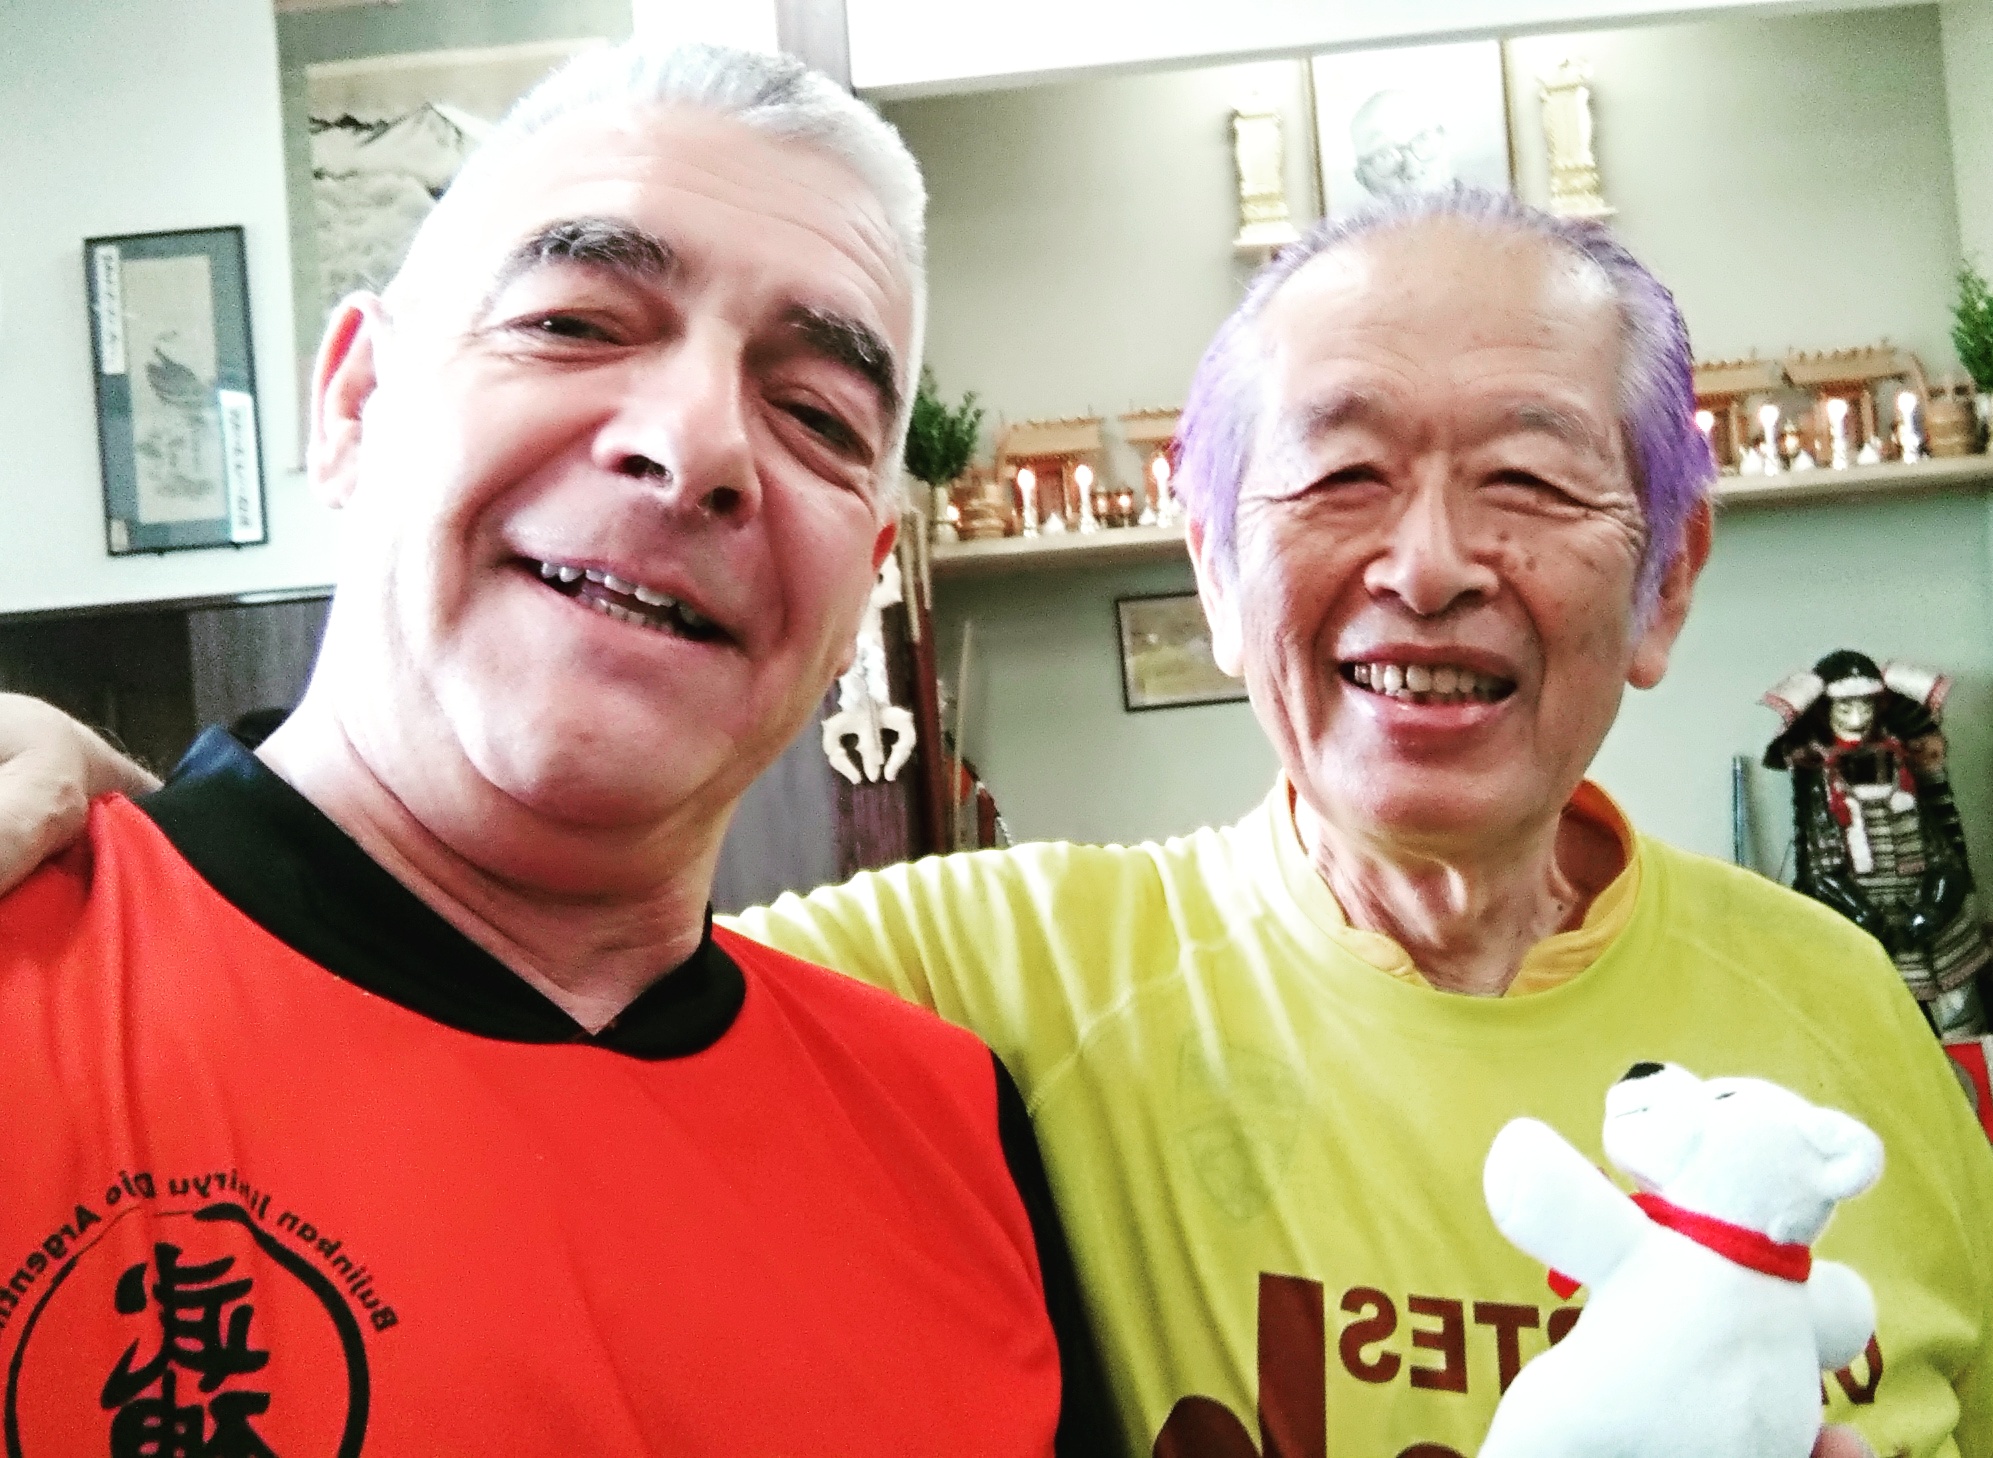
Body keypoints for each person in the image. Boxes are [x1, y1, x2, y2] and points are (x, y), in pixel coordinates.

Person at [0, 192, 1966, 1456]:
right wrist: (126, 836)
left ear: (1665, 577)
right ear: (1213, 572)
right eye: (1337, 477)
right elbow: (452, 974)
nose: (1430, 564)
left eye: (1529, 484)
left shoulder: (1839, 1020)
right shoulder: (975, 987)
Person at [0, 40, 1110, 1455]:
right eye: (576, 322)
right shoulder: (33, 974)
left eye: (817, 416)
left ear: (862, 589)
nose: (698, 446)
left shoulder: (952, 1137)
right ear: (356, 407)